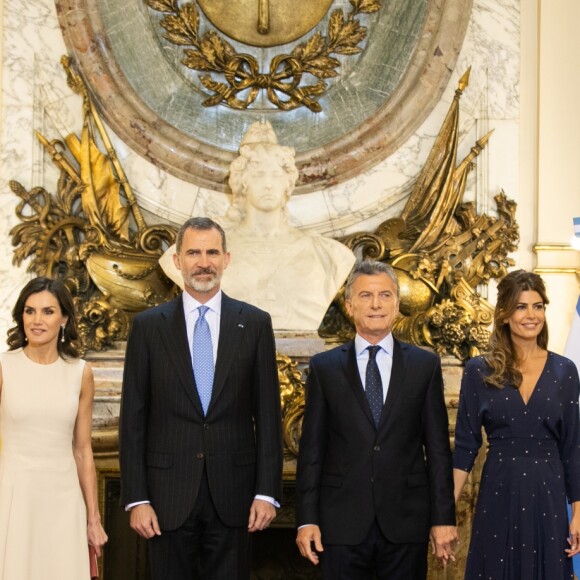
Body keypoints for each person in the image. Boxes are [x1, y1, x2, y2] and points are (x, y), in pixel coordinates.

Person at [120, 216, 283, 580]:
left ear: (227, 259)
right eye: (193, 252)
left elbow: (269, 415)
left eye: (212, 252)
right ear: (177, 260)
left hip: (236, 498)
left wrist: (267, 493)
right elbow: (133, 418)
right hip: (165, 499)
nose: (203, 262)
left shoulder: (255, 323)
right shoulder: (148, 327)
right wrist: (138, 498)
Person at [295, 260, 457, 579]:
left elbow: (438, 451)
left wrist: (443, 518)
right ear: (349, 305)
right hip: (340, 525)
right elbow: (312, 451)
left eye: (385, 295)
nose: (376, 304)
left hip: (405, 523)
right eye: (366, 295)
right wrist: (306, 519)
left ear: (397, 305)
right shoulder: (325, 368)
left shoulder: (424, 366)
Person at [159, 121, 355, 331]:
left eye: (276, 175)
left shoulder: (328, 254)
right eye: (259, 175)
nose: (268, 184)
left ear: (288, 183)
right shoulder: (206, 253)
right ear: (243, 182)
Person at [453, 269, 580, 579]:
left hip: (549, 496)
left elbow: (573, 449)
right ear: (504, 313)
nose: (531, 315)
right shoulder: (478, 370)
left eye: (538, 306)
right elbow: (465, 447)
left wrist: (578, 512)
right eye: (521, 306)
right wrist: (443, 514)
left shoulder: (565, 371)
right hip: (499, 491)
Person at [0, 277, 108, 580]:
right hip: (13, 498)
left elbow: (83, 451)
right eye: (29, 311)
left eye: (47, 312)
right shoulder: (4, 367)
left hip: (63, 502)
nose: (37, 320)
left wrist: (93, 519)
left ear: (64, 319)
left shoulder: (80, 373)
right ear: (21, 316)